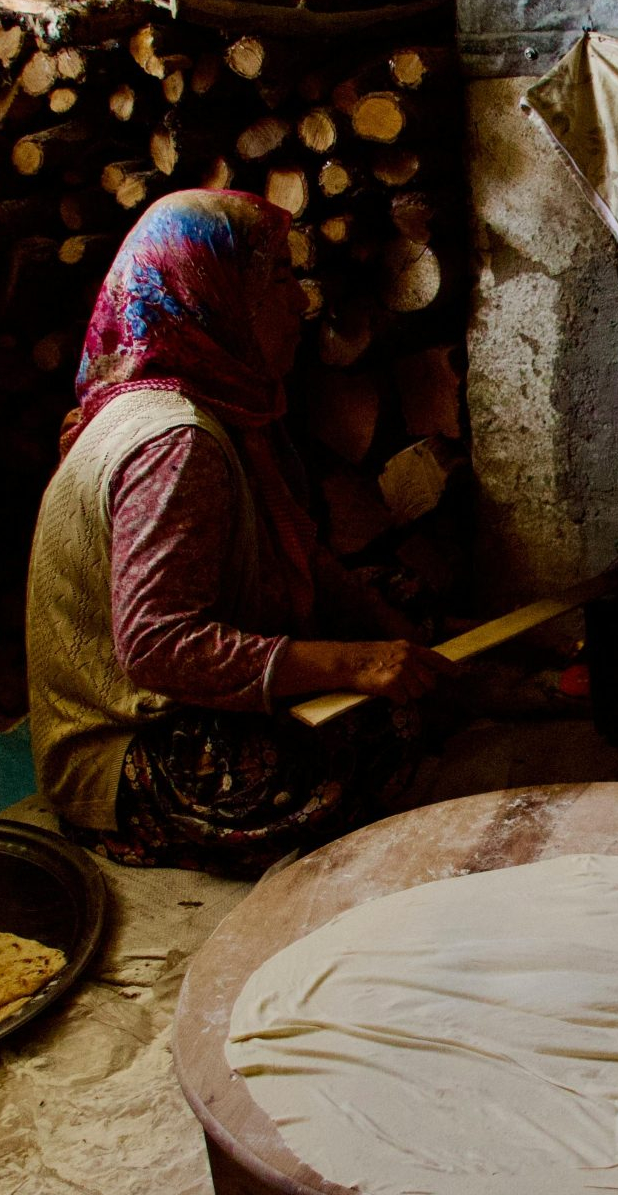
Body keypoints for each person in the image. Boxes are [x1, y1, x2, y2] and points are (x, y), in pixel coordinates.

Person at [26, 191, 451, 875]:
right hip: (123, 744)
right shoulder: (175, 445)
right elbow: (157, 645)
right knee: (341, 748)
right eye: (277, 280)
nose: (299, 304)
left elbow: (294, 554)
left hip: (174, 692)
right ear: (216, 295)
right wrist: (356, 664)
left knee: (396, 597)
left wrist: (386, 633)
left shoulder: (212, 401)